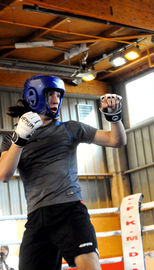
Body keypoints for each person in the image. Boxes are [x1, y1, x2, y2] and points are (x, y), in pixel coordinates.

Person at [0, 75, 127, 270]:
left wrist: (115, 117)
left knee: (89, 264)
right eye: (50, 94)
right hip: (36, 218)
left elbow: (115, 140)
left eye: (59, 95)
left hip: (69, 210)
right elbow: (4, 174)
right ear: (34, 96)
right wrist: (20, 140)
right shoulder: (11, 140)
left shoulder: (70, 129)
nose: (56, 100)